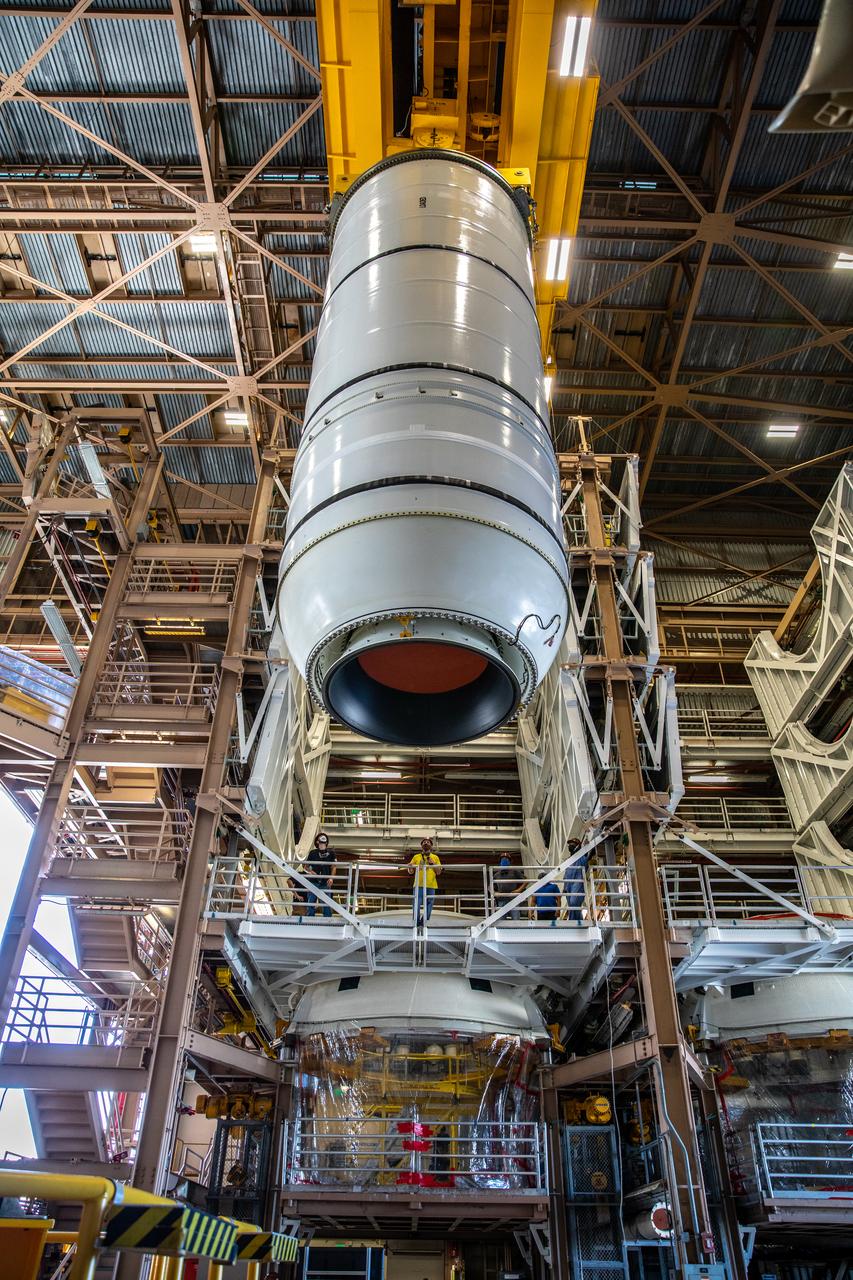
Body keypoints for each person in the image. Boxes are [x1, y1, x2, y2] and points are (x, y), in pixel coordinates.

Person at [303, 831, 337, 918]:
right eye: (320, 842)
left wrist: (331, 878)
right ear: (317, 842)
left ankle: (328, 919)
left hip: (325, 882)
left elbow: (333, 867)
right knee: (311, 902)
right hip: (313, 882)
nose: (322, 844)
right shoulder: (312, 853)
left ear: (326, 843)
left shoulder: (331, 853)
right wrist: (311, 872)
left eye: (324, 842)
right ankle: (310, 919)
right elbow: (305, 866)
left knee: (326, 904)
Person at [408, 837, 441, 925]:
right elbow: (411, 872)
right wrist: (410, 867)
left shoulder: (435, 857)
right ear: (421, 845)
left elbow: (438, 872)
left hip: (431, 885)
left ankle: (423, 922)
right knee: (416, 904)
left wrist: (433, 864)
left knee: (429, 904)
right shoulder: (416, 857)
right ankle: (416, 922)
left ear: (431, 845)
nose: (426, 843)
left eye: (428, 842)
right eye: (424, 842)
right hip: (418, 885)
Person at [563, 838, 587, 923]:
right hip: (568, 884)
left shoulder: (581, 857)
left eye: (572, 844)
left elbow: (585, 864)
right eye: (569, 845)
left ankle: (578, 921)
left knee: (574, 902)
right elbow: (566, 874)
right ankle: (575, 922)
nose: (570, 846)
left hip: (577, 881)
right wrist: (564, 886)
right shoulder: (569, 860)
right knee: (571, 906)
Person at [495, 854, 522, 920]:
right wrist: (495, 893)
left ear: (510, 861)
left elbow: (526, 881)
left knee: (516, 921)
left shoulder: (514, 872)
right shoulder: (496, 874)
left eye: (507, 859)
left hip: (513, 899)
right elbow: (490, 886)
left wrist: (519, 890)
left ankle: (516, 930)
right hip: (501, 900)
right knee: (501, 921)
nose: (504, 860)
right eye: (503, 859)